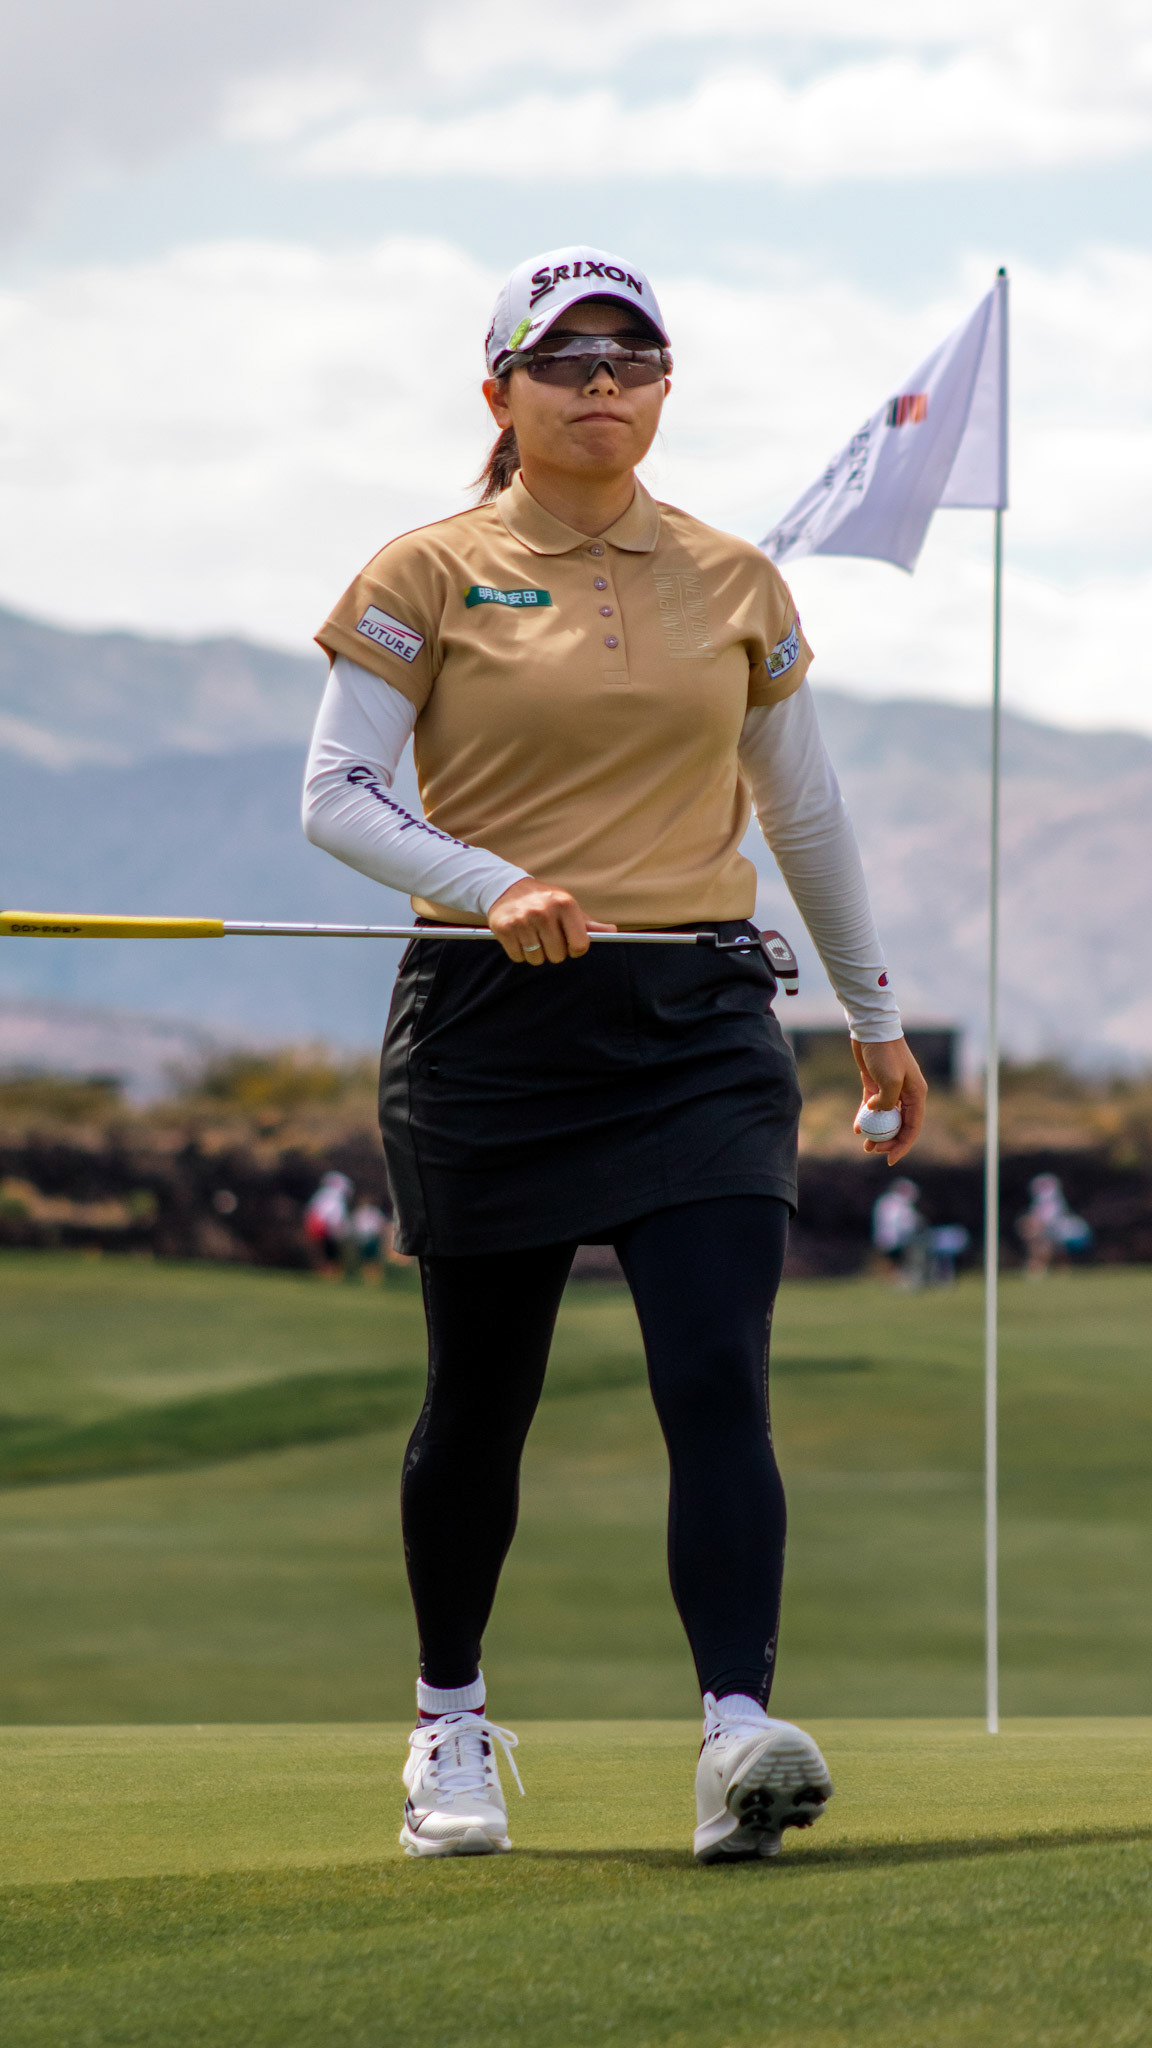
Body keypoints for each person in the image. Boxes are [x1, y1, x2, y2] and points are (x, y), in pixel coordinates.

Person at [303, 244, 927, 1863]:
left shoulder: (735, 579)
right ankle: (448, 1723)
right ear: (499, 392)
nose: (601, 383)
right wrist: (487, 885)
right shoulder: (426, 570)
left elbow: (804, 810)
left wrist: (870, 1015)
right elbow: (336, 798)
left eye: (630, 359)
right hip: (490, 1020)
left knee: (715, 1373)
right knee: (480, 1397)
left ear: (661, 391)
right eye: (565, 359)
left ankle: (737, 1733)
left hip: (699, 1016)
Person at [1017, 1172, 1091, 1278]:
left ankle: (1039, 1266)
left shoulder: (1052, 1203)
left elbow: (1046, 1222)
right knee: (1041, 1241)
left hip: (1072, 1237)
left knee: (1043, 1242)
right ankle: (1043, 1266)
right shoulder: (1043, 1202)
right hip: (1058, 1235)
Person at [302, 1169, 353, 1278]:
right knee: (330, 1249)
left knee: (321, 1249)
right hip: (325, 1227)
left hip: (317, 1224)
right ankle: (329, 1270)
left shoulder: (321, 1194)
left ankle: (324, 1269)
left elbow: (311, 1209)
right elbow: (335, 1215)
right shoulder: (336, 1197)